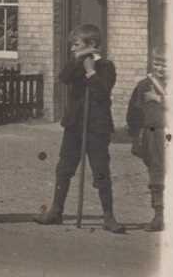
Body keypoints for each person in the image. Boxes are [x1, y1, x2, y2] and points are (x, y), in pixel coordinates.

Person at [34, 25, 125, 232]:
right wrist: (79, 61)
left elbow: (102, 92)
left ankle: (108, 216)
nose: (72, 49)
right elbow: (63, 78)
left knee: (101, 169)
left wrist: (91, 71)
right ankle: (56, 211)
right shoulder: (75, 65)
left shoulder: (107, 66)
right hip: (75, 126)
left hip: (97, 127)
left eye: (76, 45)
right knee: (64, 168)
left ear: (91, 44)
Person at [127, 50, 168, 232]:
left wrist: (159, 98)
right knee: (156, 172)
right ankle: (159, 215)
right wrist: (135, 137)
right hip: (153, 134)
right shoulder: (144, 85)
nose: (160, 69)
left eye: (165, 65)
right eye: (157, 65)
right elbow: (134, 113)